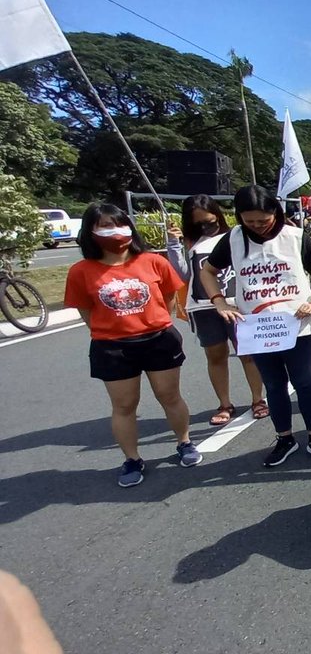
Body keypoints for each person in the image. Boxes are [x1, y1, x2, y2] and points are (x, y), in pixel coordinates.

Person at [64, 203, 200, 487]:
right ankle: (132, 459)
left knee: (169, 395)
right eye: (104, 226)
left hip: (158, 339)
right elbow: (87, 313)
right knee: (124, 405)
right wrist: (116, 328)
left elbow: (168, 297)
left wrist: (151, 321)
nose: (114, 232)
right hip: (112, 347)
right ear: (90, 232)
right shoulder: (81, 271)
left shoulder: (153, 261)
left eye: (118, 223)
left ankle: (184, 442)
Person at [202, 185, 311, 468]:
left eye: (263, 220)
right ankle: (284, 437)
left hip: (295, 324)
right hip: (257, 328)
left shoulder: (296, 237)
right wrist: (219, 302)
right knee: (274, 386)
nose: (257, 227)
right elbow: (208, 271)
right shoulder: (233, 239)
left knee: (304, 382)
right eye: (249, 221)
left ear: (275, 211)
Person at [166, 195, 268, 425]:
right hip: (203, 307)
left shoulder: (236, 236)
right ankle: (224, 404)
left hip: (238, 305)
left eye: (210, 221)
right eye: (199, 223)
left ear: (218, 216)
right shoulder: (191, 242)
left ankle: (258, 400)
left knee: (249, 354)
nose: (206, 227)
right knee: (215, 355)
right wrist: (173, 244)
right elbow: (183, 275)